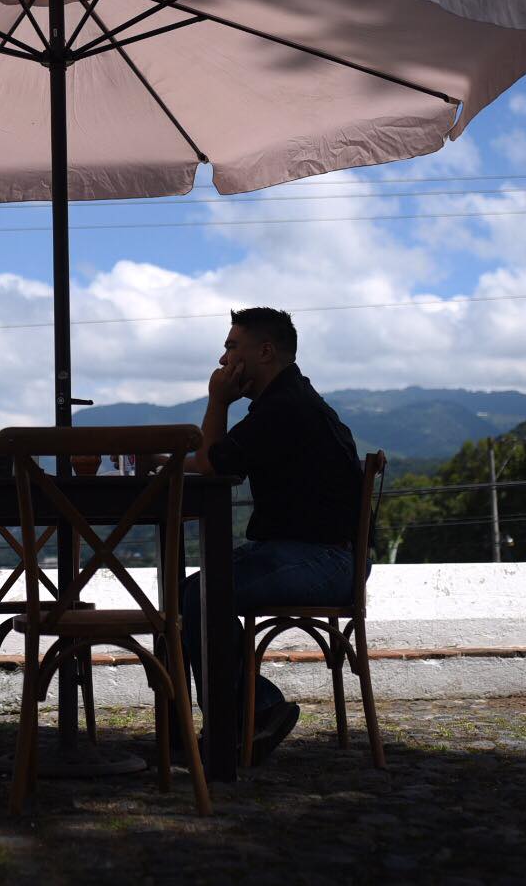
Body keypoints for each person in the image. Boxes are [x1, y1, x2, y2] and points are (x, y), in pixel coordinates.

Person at [180, 307, 362, 765]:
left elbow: (209, 466)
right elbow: (216, 459)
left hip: (325, 562)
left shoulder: (284, 408)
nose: (222, 360)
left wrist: (217, 402)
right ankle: (239, 720)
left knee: (203, 595)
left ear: (265, 352)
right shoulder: (286, 401)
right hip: (317, 554)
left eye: (231, 346)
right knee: (194, 593)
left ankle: (251, 717)